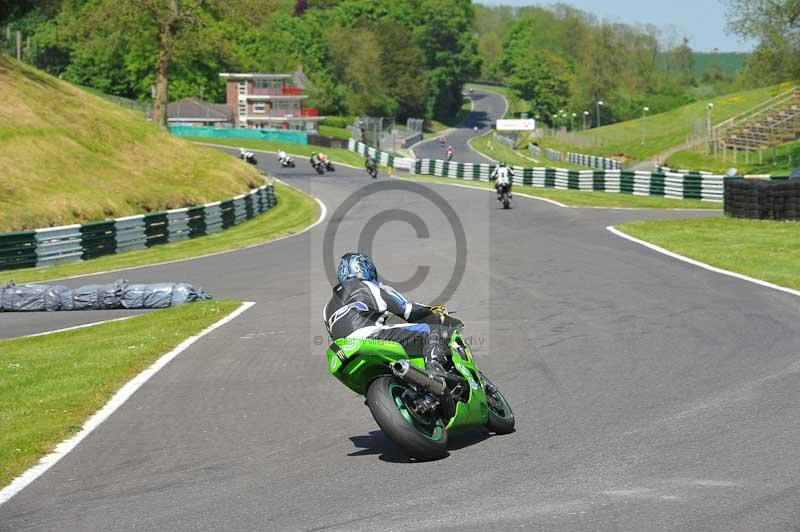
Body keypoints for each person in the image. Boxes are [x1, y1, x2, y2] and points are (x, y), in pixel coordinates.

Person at [323, 252, 455, 378]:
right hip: (372, 336)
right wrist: (436, 313)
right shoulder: (371, 286)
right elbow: (408, 310)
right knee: (435, 332)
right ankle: (436, 373)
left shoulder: (326, 309)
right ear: (363, 268)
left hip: (345, 352)